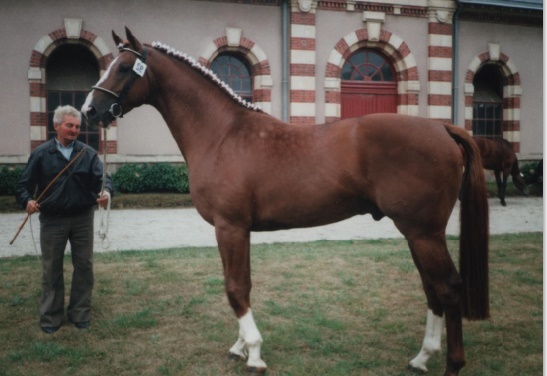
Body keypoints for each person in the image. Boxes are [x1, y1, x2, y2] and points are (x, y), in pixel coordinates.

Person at [16, 105, 113, 334]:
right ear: (56, 126)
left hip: (82, 219)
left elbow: (103, 179)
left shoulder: (87, 153)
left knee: (84, 267)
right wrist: (27, 201)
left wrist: (106, 192)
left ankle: (80, 313)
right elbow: (23, 186)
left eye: (77, 127)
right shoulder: (41, 154)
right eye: (69, 125)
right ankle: (51, 317)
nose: (74, 130)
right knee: (51, 270)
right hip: (52, 221)